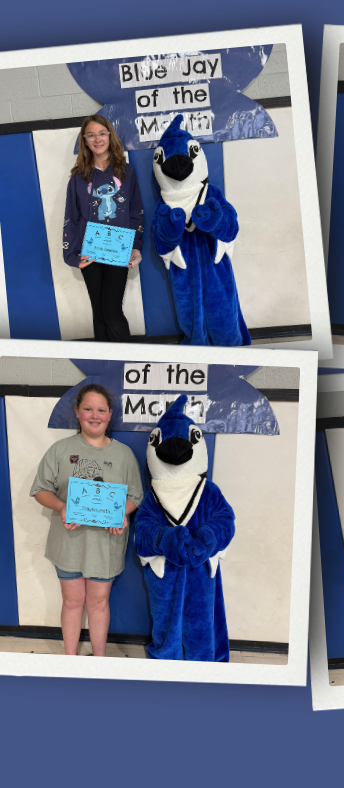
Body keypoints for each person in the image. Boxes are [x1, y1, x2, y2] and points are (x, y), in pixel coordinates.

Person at [30, 384, 144, 656]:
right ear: (77, 412)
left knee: (99, 602)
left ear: (110, 414)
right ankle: (70, 660)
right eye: (88, 409)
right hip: (68, 543)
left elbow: (135, 496)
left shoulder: (124, 455)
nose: (95, 415)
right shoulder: (60, 450)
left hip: (105, 545)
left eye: (101, 410)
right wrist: (62, 507)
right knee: (72, 601)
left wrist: (121, 514)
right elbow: (40, 490)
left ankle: (98, 660)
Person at [63, 114, 145, 342]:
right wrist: (72, 256)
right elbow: (71, 218)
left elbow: (136, 212)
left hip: (118, 251)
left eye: (101, 133)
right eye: (91, 135)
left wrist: (135, 247)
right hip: (89, 252)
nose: (97, 139)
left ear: (110, 136)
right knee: (99, 314)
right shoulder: (78, 178)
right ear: (84, 140)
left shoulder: (126, 172)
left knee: (112, 312)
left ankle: (127, 359)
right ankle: (104, 359)